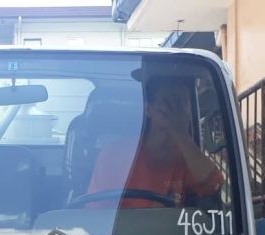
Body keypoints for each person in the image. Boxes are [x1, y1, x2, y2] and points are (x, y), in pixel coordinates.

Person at [86, 75, 223, 208]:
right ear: (148, 109)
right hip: (122, 231)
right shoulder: (114, 154)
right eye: (167, 102)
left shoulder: (187, 158)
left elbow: (214, 186)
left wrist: (180, 134)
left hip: (173, 231)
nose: (174, 109)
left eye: (182, 102)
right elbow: (96, 213)